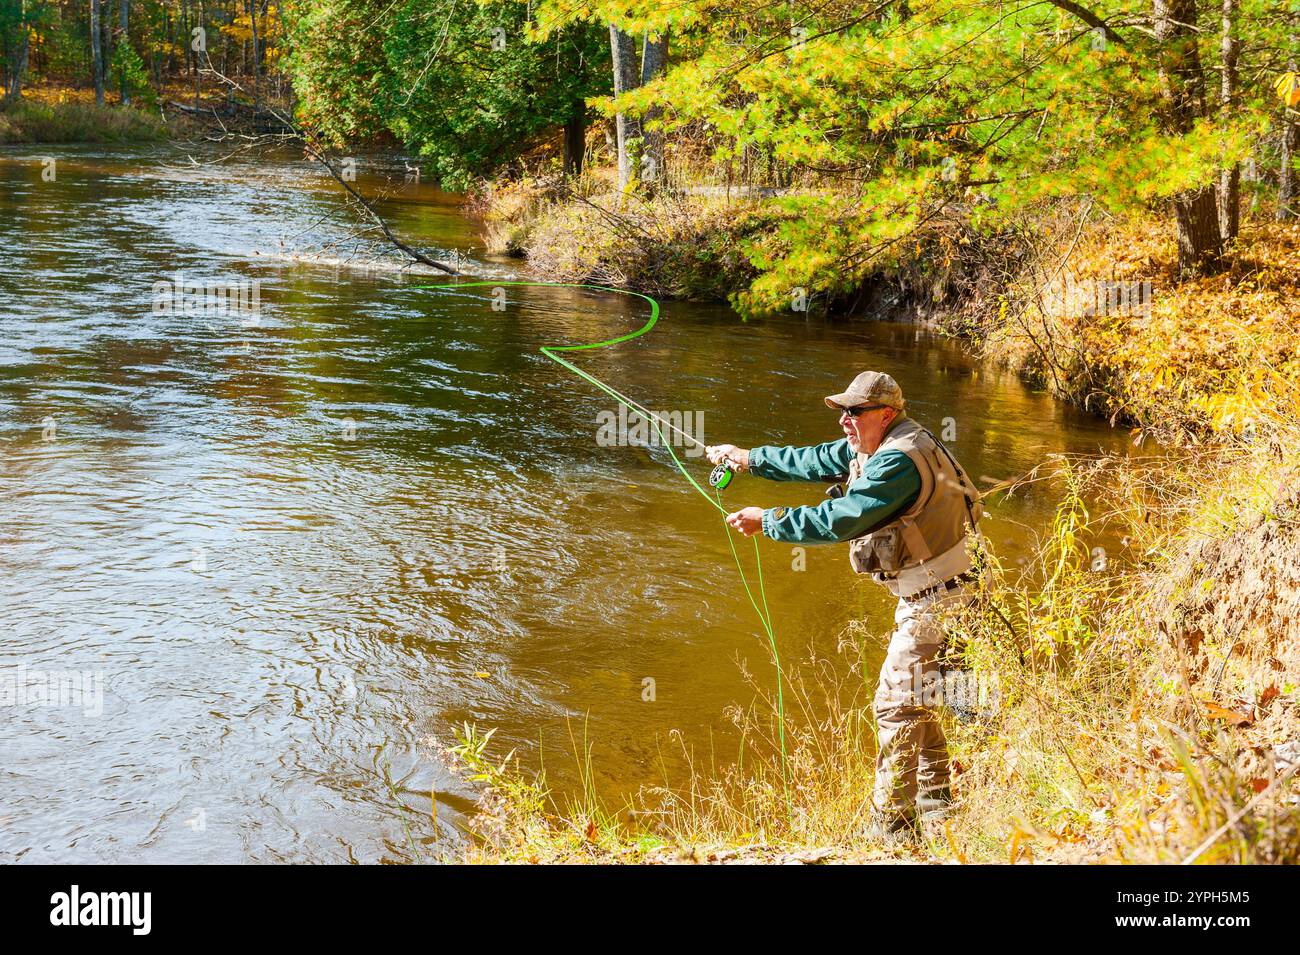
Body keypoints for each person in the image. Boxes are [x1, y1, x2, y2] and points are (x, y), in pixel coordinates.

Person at [706, 370, 983, 838]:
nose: (845, 421)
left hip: (941, 596)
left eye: (855, 412)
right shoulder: (875, 442)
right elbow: (812, 460)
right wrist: (748, 459)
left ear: (886, 414)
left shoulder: (898, 461)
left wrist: (768, 521)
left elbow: (840, 519)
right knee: (926, 693)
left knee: (897, 704)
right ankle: (937, 802)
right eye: (842, 412)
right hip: (941, 587)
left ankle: (891, 830)